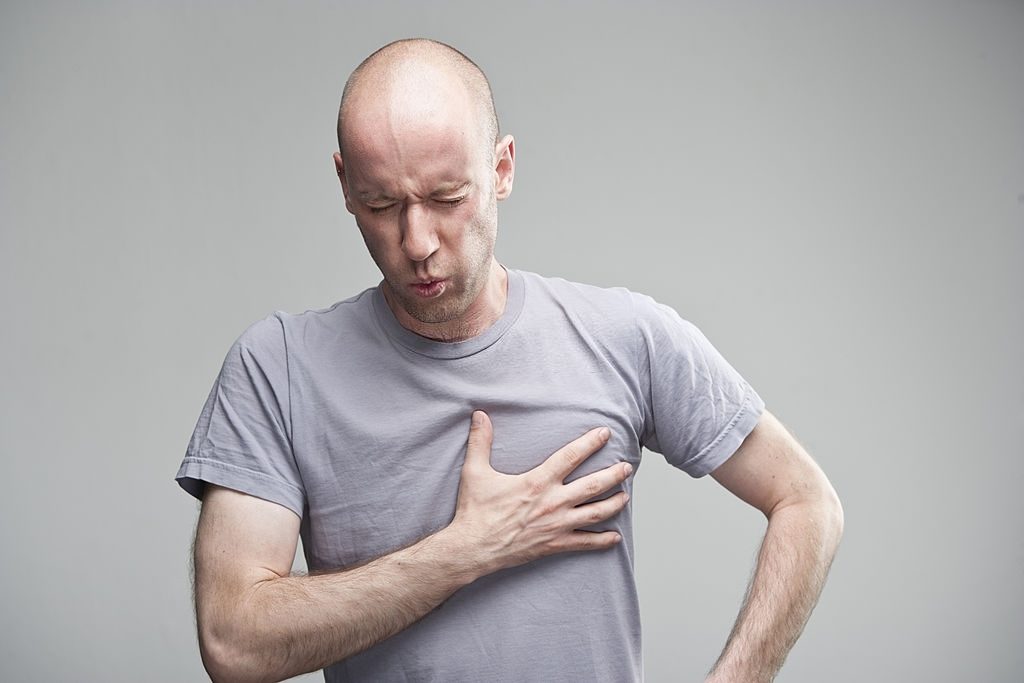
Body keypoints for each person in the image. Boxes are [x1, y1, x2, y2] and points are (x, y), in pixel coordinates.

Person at [176, 38, 844, 683]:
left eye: (445, 198)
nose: (417, 242)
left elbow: (807, 500)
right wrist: (463, 550)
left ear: (501, 168)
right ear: (345, 185)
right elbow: (234, 643)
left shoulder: (623, 335)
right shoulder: (280, 368)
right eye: (382, 204)